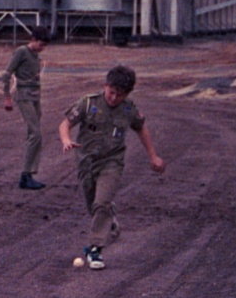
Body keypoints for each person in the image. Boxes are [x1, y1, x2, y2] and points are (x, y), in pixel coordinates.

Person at [58, 64, 165, 270]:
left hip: (112, 162)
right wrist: (65, 140)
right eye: (112, 92)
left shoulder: (129, 110)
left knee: (101, 202)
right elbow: (65, 124)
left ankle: (95, 249)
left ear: (128, 94)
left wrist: (153, 156)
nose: (114, 98)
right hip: (86, 162)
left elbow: (141, 129)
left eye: (120, 95)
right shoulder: (88, 103)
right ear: (105, 86)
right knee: (94, 205)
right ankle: (109, 217)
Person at [0, 25, 52, 190]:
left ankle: (28, 175)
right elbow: (7, 74)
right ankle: (25, 175)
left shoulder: (35, 55)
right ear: (33, 40)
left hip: (35, 97)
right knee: (35, 134)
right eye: (41, 44)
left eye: (44, 46)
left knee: (33, 134)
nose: (42, 48)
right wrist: (7, 97)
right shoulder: (21, 51)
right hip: (24, 96)